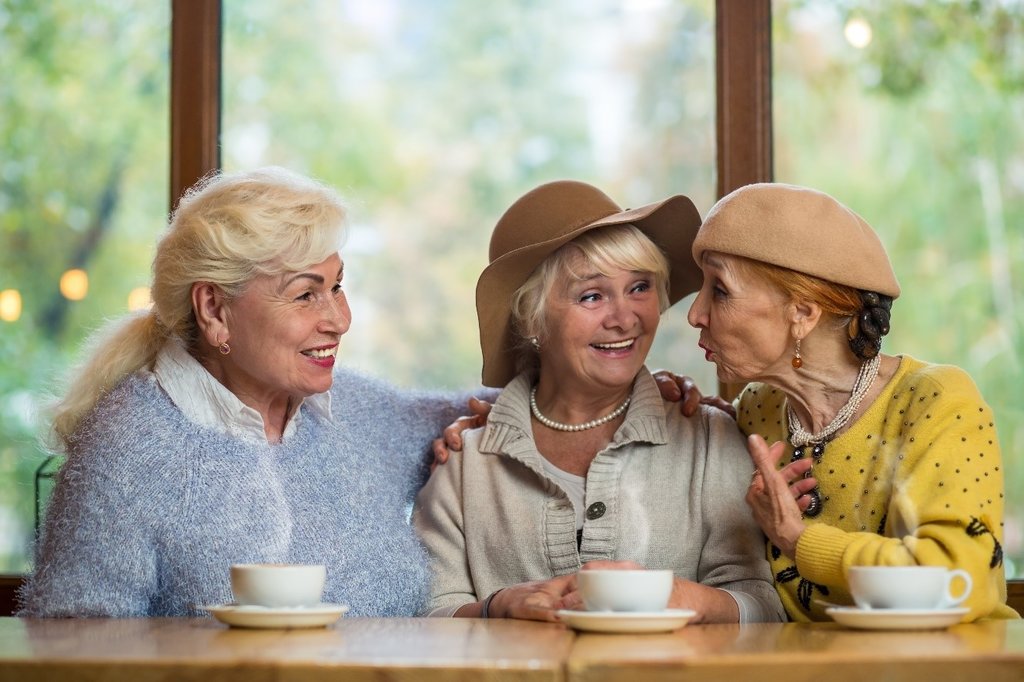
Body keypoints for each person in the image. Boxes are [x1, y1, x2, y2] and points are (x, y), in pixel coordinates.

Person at [19, 167, 474, 618]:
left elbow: (520, 407)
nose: (339, 319)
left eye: (337, 286)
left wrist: (473, 426)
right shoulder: (128, 448)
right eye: (304, 295)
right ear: (214, 309)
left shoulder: (359, 411)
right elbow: (73, 648)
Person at [412, 180, 785, 624]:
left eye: (640, 287)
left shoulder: (709, 438)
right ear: (532, 317)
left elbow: (763, 606)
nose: (624, 318)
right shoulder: (464, 464)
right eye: (591, 295)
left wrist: (690, 600)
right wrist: (499, 607)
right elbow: (429, 614)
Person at [686, 182, 1018, 622]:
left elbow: (960, 580)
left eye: (720, 290)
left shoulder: (936, 402)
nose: (695, 313)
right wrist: (674, 403)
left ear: (803, 313)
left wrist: (797, 539)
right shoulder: (756, 410)